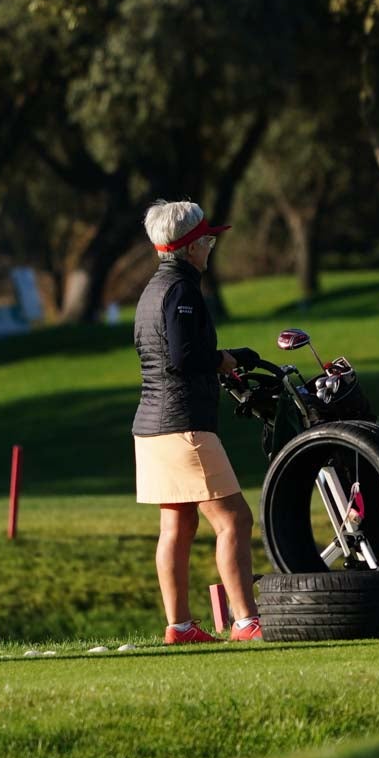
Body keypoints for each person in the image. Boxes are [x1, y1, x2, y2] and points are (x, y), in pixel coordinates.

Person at [132, 199, 263, 644]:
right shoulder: (182, 290)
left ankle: (181, 626)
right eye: (207, 240)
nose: (210, 247)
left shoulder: (152, 288)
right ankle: (247, 622)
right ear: (190, 247)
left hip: (150, 425)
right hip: (182, 423)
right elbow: (184, 357)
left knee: (177, 526)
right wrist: (229, 359)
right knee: (234, 521)